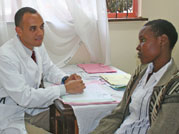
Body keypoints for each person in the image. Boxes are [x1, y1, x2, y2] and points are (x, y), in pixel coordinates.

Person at [0, 7, 85, 134]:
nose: (40, 33)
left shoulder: (36, 45)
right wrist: (65, 88)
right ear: (19, 31)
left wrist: (65, 79)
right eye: (33, 28)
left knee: (75, 120)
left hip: (34, 108)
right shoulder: (6, 56)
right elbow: (24, 97)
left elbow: (49, 68)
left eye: (41, 27)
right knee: (68, 124)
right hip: (14, 113)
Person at [90, 19, 179, 134]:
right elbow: (118, 114)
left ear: (162, 41)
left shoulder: (174, 86)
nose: (138, 47)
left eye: (143, 40)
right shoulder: (140, 73)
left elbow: (163, 130)